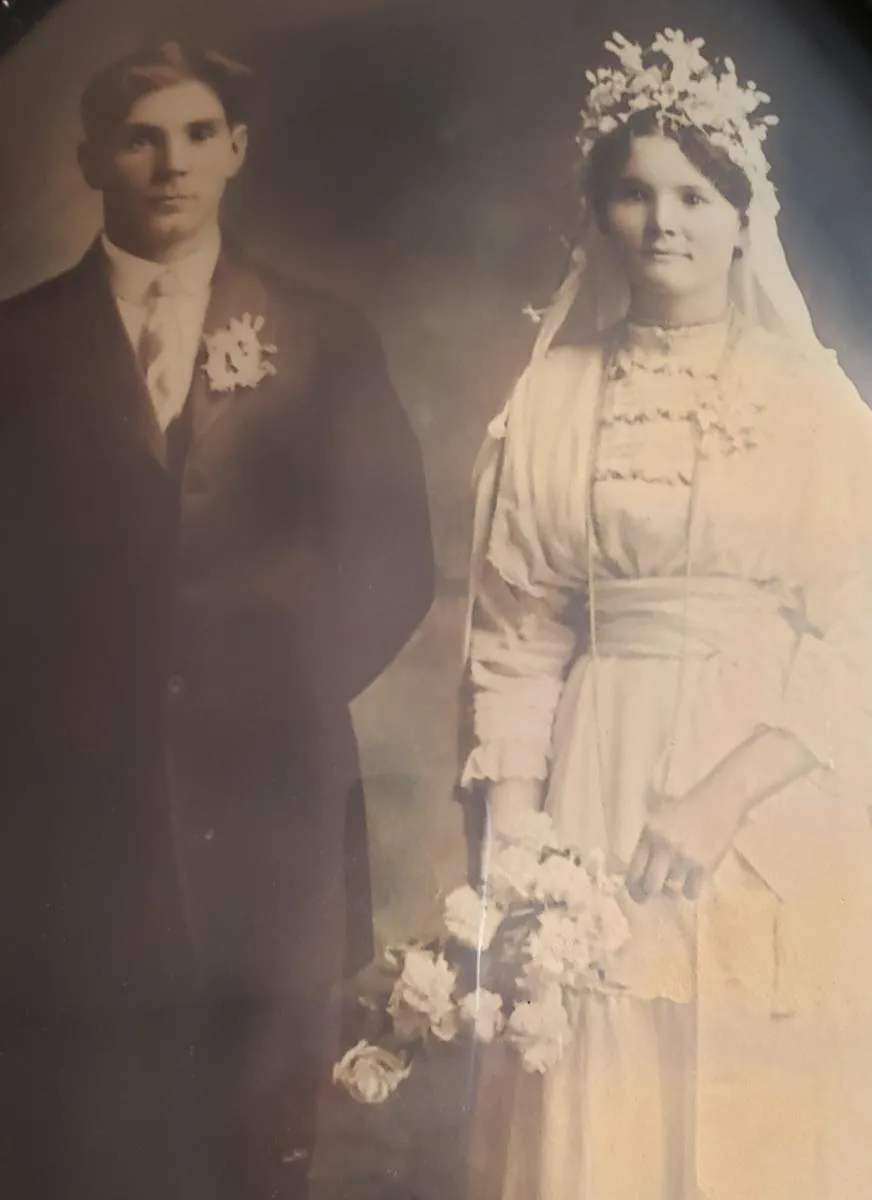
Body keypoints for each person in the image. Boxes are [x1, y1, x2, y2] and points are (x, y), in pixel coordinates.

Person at [0, 41, 433, 1200]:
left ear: (236, 150)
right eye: (140, 137)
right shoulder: (17, 348)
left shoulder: (322, 337)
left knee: (260, 1149)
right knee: (84, 1141)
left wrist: (267, 704)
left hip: (270, 831)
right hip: (67, 832)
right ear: (90, 157)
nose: (170, 163)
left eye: (198, 134)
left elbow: (395, 559)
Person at [461, 28, 872, 1200]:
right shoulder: (552, 395)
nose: (663, 223)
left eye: (693, 194)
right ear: (598, 216)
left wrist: (722, 794)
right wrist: (513, 842)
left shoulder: (809, 404)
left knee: (753, 1082)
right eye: (633, 195)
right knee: (598, 1071)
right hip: (600, 774)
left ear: (742, 216)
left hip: (766, 789)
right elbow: (517, 633)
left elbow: (855, 634)